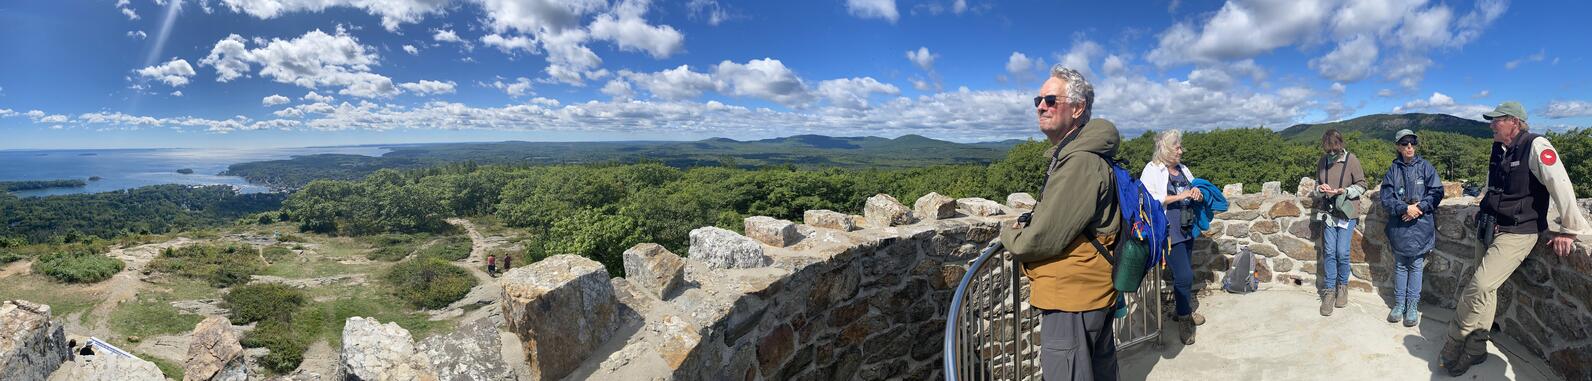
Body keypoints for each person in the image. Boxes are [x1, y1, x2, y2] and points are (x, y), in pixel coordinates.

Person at [1441, 101, 1592, 376]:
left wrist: (1569, 228)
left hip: (1518, 231)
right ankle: (1476, 350)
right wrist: (1481, 205)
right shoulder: (1498, 148)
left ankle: (1454, 339)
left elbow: (1560, 183)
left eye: (1496, 120)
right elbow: (1493, 184)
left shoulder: (1536, 145)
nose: (1490, 125)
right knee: (1486, 292)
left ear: (1514, 121)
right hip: (1489, 226)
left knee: (1480, 285)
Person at [999, 64, 1121, 381]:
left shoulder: (1080, 161)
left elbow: (1039, 240)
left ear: (1078, 108)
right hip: (1089, 293)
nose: (1041, 105)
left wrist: (1008, 234)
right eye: (1038, 99)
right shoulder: (1080, 153)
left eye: (1051, 100)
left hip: (1073, 299)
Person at [1139, 129, 1204, 345]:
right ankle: (1184, 320)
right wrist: (1179, 195)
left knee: (1184, 274)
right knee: (1184, 276)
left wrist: (1196, 193)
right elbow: (1147, 200)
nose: (1181, 150)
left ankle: (1179, 309)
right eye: (1177, 147)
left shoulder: (1183, 169)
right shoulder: (1152, 169)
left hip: (1187, 228)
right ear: (1166, 149)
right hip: (1168, 232)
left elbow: (1195, 188)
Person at [1377, 129, 1443, 327]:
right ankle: (1399, 305)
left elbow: (1437, 191)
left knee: (1415, 266)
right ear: (1398, 146)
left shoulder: (1426, 167)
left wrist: (1419, 208)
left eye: (1412, 143)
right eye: (1405, 143)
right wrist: (1404, 208)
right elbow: (1386, 198)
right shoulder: (1393, 171)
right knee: (1400, 265)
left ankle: (1412, 306)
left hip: (1420, 226)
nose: (1409, 147)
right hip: (1400, 226)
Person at [1312, 128, 1366, 316]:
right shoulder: (1322, 161)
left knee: (1341, 252)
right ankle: (1329, 291)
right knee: (1328, 252)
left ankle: (1342, 286)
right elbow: (1315, 188)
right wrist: (1321, 188)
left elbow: (1362, 185)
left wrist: (1345, 191)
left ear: (1340, 145)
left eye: (1334, 150)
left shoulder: (1351, 160)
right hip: (1329, 212)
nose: (1332, 154)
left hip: (1347, 213)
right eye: (1329, 151)